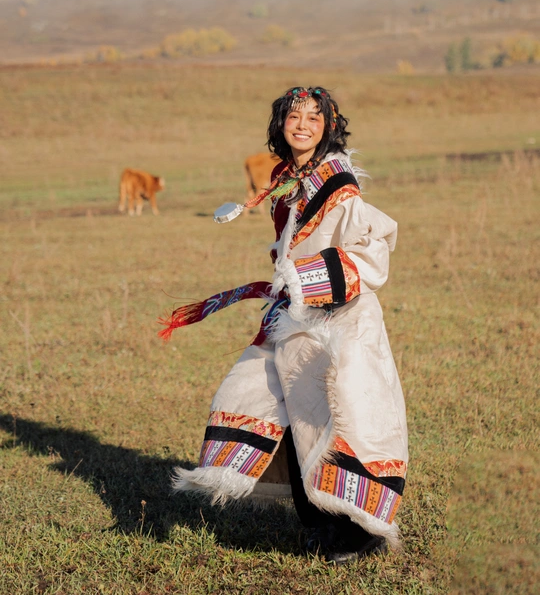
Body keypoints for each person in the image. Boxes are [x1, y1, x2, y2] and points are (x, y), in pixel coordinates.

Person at [159, 86, 408, 563]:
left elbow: (371, 251)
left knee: (337, 419)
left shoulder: (338, 182)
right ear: (281, 124)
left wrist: (305, 279)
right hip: (292, 317)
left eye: (315, 118)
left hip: (338, 317)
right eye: (295, 116)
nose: (303, 124)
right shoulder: (286, 175)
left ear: (328, 127)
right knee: (286, 418)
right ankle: (316, 525)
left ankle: (356, 533)